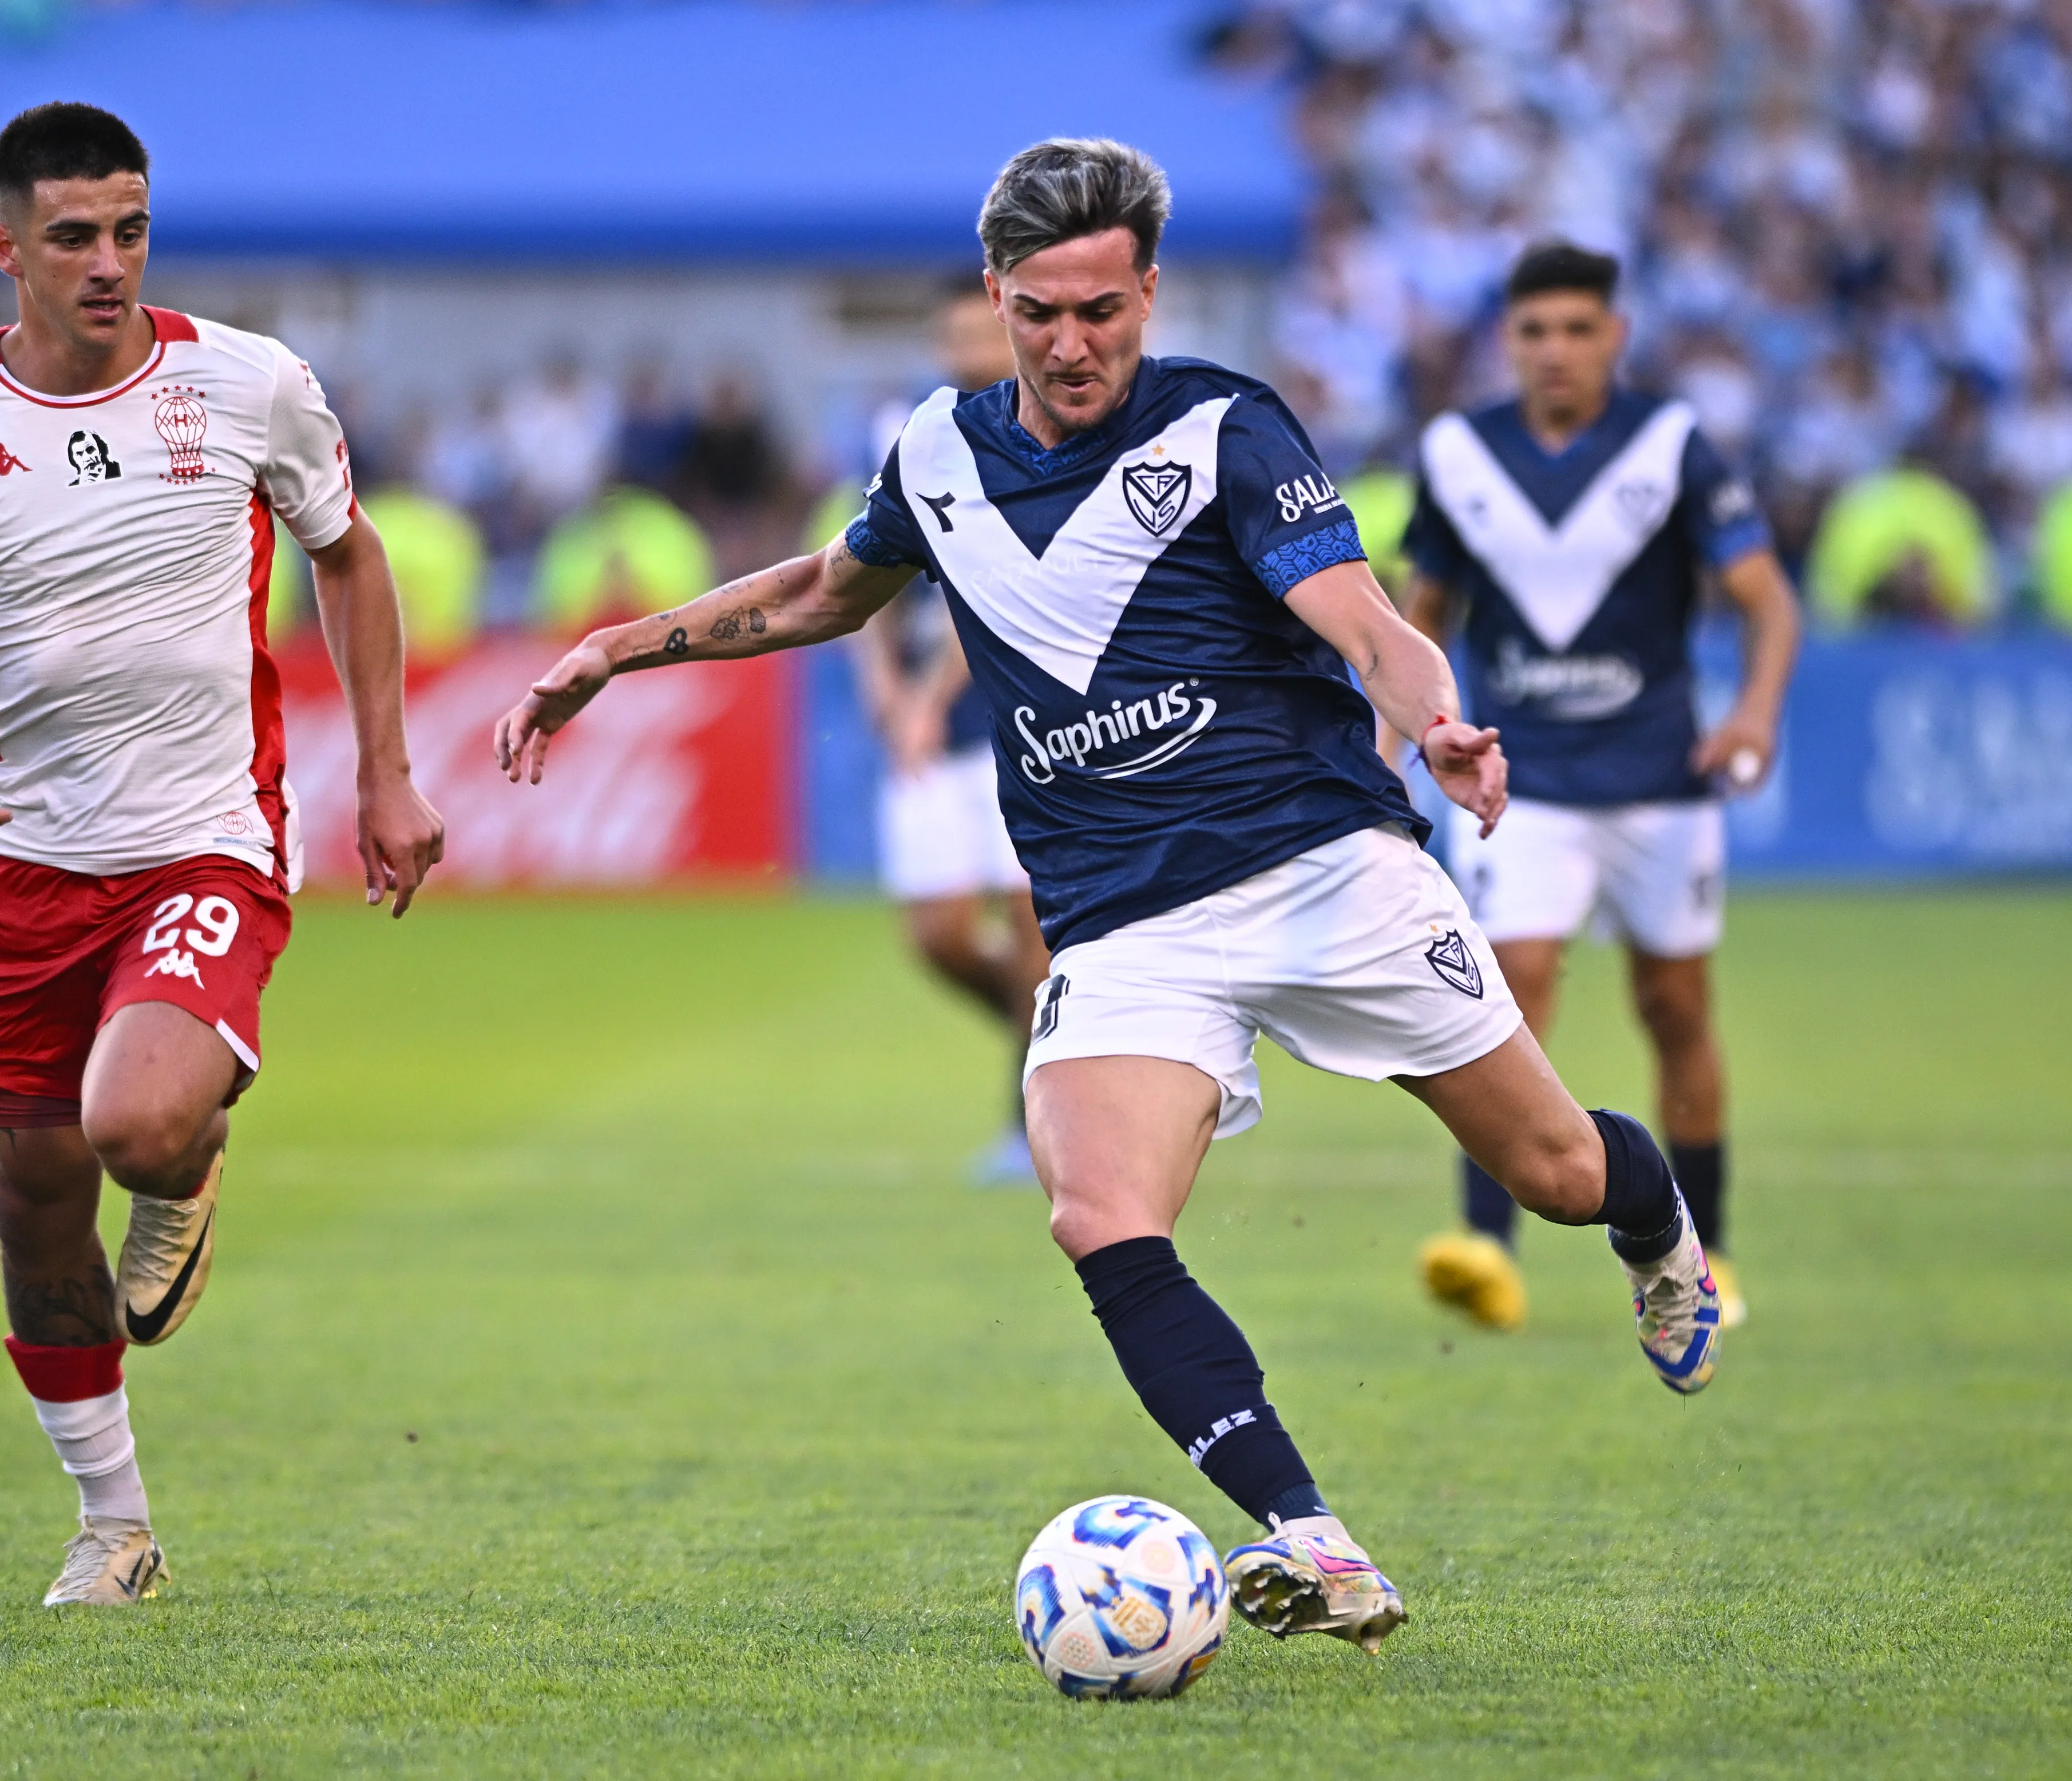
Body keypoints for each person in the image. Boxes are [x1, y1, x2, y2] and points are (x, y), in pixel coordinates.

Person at [494, 140, 1722, 1657]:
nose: (1072, 344)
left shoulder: (1223, 428)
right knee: (1095, 1212)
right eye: (1039, 313)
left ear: (1147, 288)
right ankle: (1314, 1541)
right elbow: (825, 590)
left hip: (1320, 868)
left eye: (1101, 310)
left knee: (1550, 1168)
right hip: (1121, 920)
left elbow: (1361, 616)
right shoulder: (936, 456)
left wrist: (1437, 716)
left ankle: (1660, 1227)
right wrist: (617, 647)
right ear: (996, 297)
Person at [0, 103, 445, 1608]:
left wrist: (385, 772)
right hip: (25, 866)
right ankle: (113, 1525)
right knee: (35, 1184)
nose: (107, 264)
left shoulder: (249, 385)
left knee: (132, 1123)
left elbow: (348, 552)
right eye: (72, 238)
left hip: (204, 843)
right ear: (7, 250)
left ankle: (188, 1146)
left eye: (130, 231)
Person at [1402, 242, 1801, 1333]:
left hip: (1661, 779)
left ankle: (1703, 1250)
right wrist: (1424, 720)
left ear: (1615, 336)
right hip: (1520, 779)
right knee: (1507, 986)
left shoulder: (1670, 447)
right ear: (1509, 341)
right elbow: (1419, 609)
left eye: (1579, 329)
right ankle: (1487, 1247)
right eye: (1535, 331)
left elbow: (1769, 602)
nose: (1557, 351)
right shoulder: (1458, 453)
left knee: (1674, 1006)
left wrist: (1754, 712)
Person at [853, 276, 1050, 1184]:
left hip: (1014, 723)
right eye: (955, 333)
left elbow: (1001, 596)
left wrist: (930, 697)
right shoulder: (907, 435)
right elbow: (859, 576)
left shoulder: (1030, 436)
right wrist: (887, 687)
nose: (968, 349)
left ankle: (1028, 1123)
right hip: (931, 734)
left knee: (1030, 927)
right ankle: (1048, 1028)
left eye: (982, 331)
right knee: (939, 937)